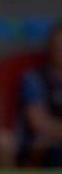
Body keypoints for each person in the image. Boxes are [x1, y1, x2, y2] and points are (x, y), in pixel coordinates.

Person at [18, 22, 62, 166]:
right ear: (49, 48)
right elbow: (37, 122)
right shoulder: (34, 78)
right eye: (56, 45)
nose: (59, 49)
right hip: (43, 148)